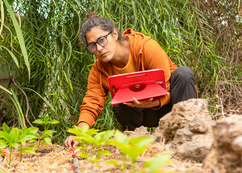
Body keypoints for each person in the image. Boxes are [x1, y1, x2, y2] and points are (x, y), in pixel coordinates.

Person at [64, 12, 197, 148]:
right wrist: (80, 134)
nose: (99, 48)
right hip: (140, 114)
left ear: (114, 34)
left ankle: (189, 136)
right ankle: (136, 143)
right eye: (92, 46)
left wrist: (154, 102)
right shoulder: (98, 70)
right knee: (118, 101)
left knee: (184, 73)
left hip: (169, 106)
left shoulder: (145, 47)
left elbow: (168, 85)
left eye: (101, 40)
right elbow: (92, 102)